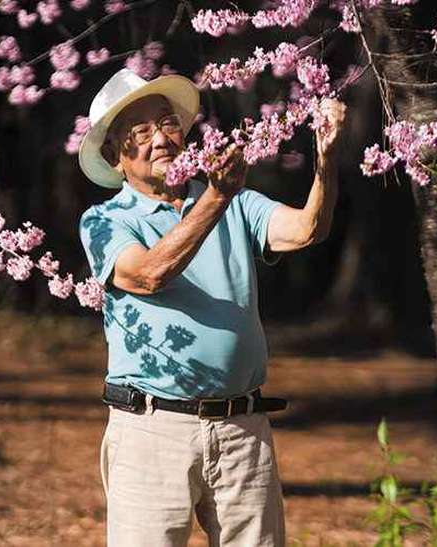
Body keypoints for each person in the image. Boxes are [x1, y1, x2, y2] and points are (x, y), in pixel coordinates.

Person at [77, 68, 345, 546]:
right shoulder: (103, 221)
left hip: (243, 429)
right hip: (150, 429)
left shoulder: (237, 203)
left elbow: (308, 229)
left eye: (168, 124)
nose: (160, 138)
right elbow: (147, 274)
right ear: (115, 157)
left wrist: (326, 157)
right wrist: (217, 197)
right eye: (140, 132)